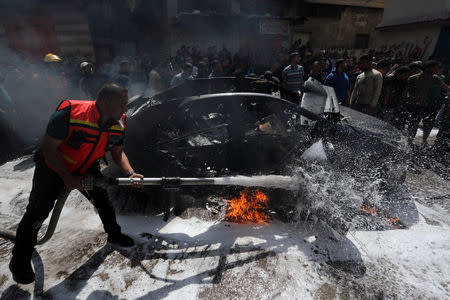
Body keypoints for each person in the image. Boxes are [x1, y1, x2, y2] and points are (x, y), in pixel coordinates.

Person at [9, 83, 144, 284]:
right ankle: (19, 261)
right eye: (122, 104)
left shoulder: (119, 121)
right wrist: (66, 176)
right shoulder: (70, 113)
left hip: (87, 166)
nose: (126, 109)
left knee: (103, 201)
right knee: (37, 213)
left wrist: (131, 173)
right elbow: (48, 148)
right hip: (53, 168)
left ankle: (114, 235)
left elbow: (117, 152)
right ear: (105, 102)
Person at [407, 60, 450, 145]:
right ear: (429, 68)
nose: (437, 70)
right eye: (435, 68)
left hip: (429, 106)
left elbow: (446, 88)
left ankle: (424, 140)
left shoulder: (435, 78)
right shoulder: (413, 78)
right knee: (413, 124)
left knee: (428, 124)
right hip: (416, 106)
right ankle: (409, 140)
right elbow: (409, 93)